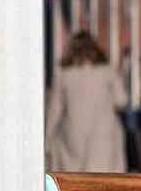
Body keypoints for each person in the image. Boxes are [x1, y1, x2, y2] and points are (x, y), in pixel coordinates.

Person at [45, 31, 129, 173]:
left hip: (71, 137)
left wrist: (47, 139)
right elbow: (121, 100)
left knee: (73, 184)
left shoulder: (63, 74)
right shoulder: (106, 72)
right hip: (102, 136)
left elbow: (55, 110)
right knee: (103, 182)